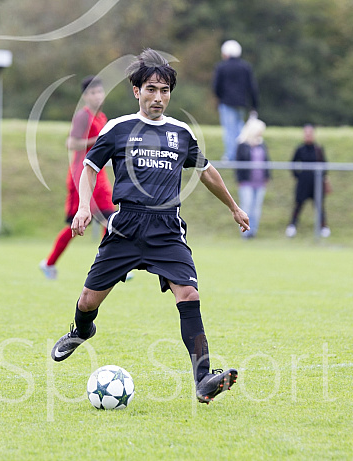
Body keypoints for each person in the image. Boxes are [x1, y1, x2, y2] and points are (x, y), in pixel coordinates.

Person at [50, 49, 250, 405]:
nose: (158, 97)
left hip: (166, 228)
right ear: (136, 91)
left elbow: (206, 172)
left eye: (165, 90)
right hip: (126, 225)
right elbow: (89, 167)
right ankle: (81, 331)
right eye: (151, 89)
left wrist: (234, 207)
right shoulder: (118, 128)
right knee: (87, 300)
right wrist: (83, 206)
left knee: (189, 294)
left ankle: (204, 379)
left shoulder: (181, 133)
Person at [39, 76, 116, 280]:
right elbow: (71, 144)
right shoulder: (83, 117)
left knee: (110, 220)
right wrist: (97, 141)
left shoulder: (102, 117)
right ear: (85, 96)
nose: (97, 96)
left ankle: (108, 265)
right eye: (92, 93)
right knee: (76, 225)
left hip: (100, 176)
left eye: (99, 92)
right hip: (80, 175)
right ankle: (48, 263)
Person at [212, 39, 260, 161]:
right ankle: (242, 156)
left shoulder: (221, 67)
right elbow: (252, 87)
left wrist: (221, 97)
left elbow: (216, 87)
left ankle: (231, 156)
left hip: (227, 103)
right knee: (240, 129)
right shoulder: (245, 67)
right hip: (241, 104)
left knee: (229, 130)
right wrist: (254, 105)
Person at [285, 124, 330, 238]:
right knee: (299, 204)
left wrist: (321, 176)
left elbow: (324, 165)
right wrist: (298, 176)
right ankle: (292, 226)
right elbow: (293, 163)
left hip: (316, 183)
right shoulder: (300, 149)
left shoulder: (318, 149)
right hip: (303, 183)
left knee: (319, 206)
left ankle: (323, 227)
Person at [234, 117, 271, 238]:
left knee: (256, 209)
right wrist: (239, 179)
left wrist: (267, 175)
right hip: (246, 182)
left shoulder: (262, 144)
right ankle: (245, 232)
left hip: (260, 182)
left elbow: (266, 161)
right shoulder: (242, 145)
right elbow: (238, 165)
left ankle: (253, 231)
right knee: (246, 207)